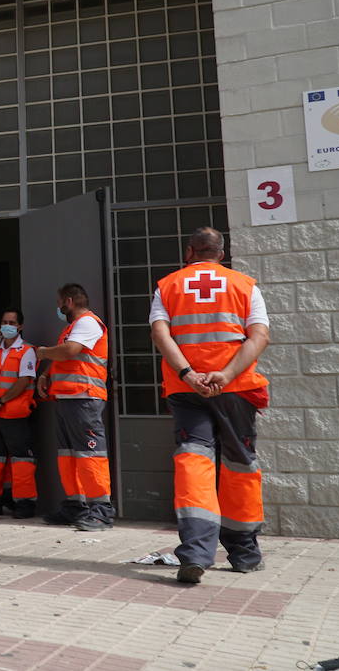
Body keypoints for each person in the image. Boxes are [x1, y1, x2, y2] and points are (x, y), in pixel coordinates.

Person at [150, 226, 271, 585]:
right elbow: (259, 336)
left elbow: (160, 333)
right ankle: (244, 554)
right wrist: (227, 374)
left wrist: (188, 374)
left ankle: (196, 553)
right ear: (222, 253)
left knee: (194, 459)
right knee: (239, 465)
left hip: (187, 389)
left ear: (189, 251)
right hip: (234, 388)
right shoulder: (245, 285)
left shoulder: (167, 286)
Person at [35, 284, 114, 531]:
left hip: (84, 398)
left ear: (68, 301)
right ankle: (75, 505)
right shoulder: (71, 328)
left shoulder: (88, 323)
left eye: (59, 302)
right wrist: (46, 374)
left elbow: (70, 351)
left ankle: (101, 510)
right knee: (68, 456)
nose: (58, 307)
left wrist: (44, 353)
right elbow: (66, 358)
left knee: (90, 453)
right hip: (68, 398)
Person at [0, 308, 38, 518]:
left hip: (15, 414)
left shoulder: (27, 350)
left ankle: (24, 504)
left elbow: (23, 381)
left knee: (21, 461)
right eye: (5, 322)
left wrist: (2, 400)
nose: (7, 326)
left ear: (20, 326)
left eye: (12, 322)